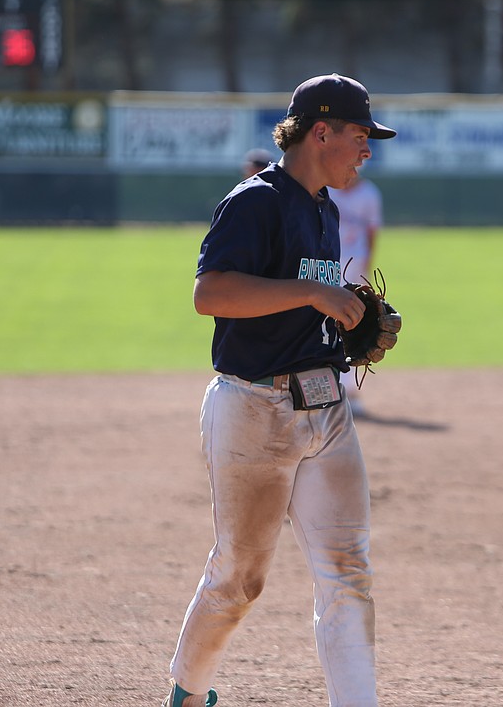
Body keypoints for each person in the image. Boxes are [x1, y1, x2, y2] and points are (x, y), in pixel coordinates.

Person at [166, 73, 397, 707]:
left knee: (348, 571)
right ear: (320, 132)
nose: (367, 150)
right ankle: (188, 692)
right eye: (360, 136)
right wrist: (314, 292)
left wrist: (339, 312)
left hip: (326, 411)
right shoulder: (256, 201)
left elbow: (302, 301)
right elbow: (209, 294)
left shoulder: (325, 208)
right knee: (241, 578)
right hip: (254, 411)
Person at [327, 165, 384, 417]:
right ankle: (326, 387)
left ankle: (349, 391)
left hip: (356, 264)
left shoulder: (369, 193)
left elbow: (372, 232)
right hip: (328, 265)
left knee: (353, 327)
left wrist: (368, 268)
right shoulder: (327, 190)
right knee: (326, 324)